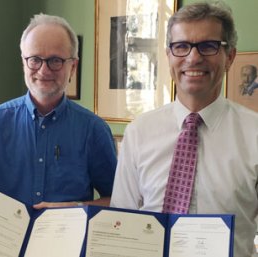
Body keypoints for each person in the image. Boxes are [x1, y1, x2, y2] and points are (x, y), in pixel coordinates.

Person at [110, 2, 258, 257]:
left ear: (230, 57)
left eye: (208, 46)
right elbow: (120, 224)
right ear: (168, 55)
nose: (193, 57)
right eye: (181, 46)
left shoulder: (254, 134)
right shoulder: (139, 132)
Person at [0, 13, 117, 208]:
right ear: (23, 62)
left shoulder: (93, 130)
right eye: (35, 59)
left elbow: (116, 201)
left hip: (69, 238)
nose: (44, 71)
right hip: (6, 238)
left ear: (73, 67)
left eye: (55, 60)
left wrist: (76, 208)